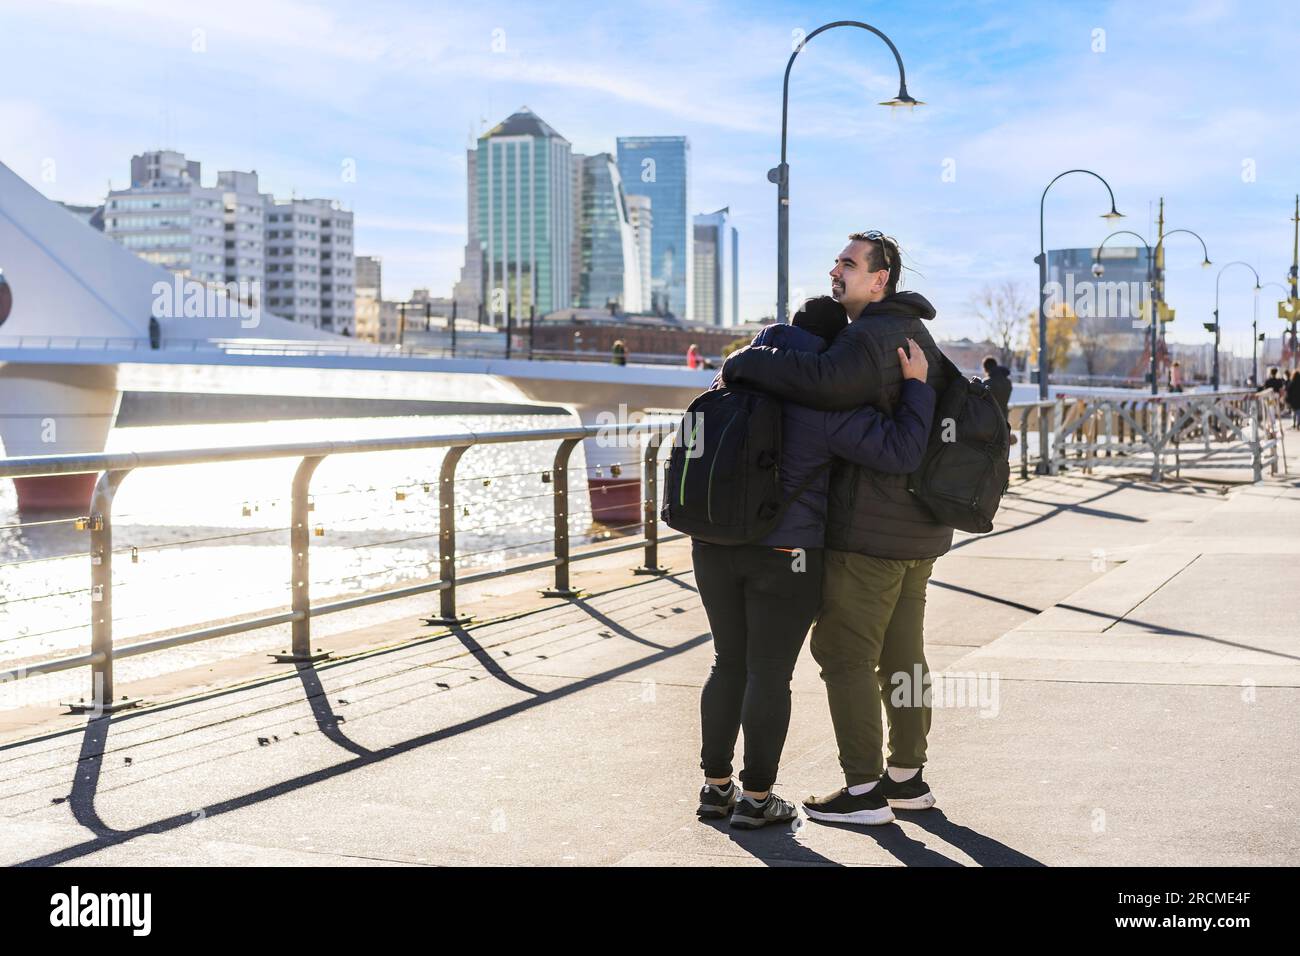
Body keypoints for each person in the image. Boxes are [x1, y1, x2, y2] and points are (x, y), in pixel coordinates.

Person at [721, 231, 952, 825]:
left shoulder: (867, 336)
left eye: (849, 263)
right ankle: (907, 778)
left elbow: (818, 382)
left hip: (872, 530)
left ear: (881, 280)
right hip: (917, 528)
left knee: (844, 652)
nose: (836, 270)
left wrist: (745, 359)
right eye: (836, 261)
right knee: (903, 656)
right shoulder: (909, 331)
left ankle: (864, 792)